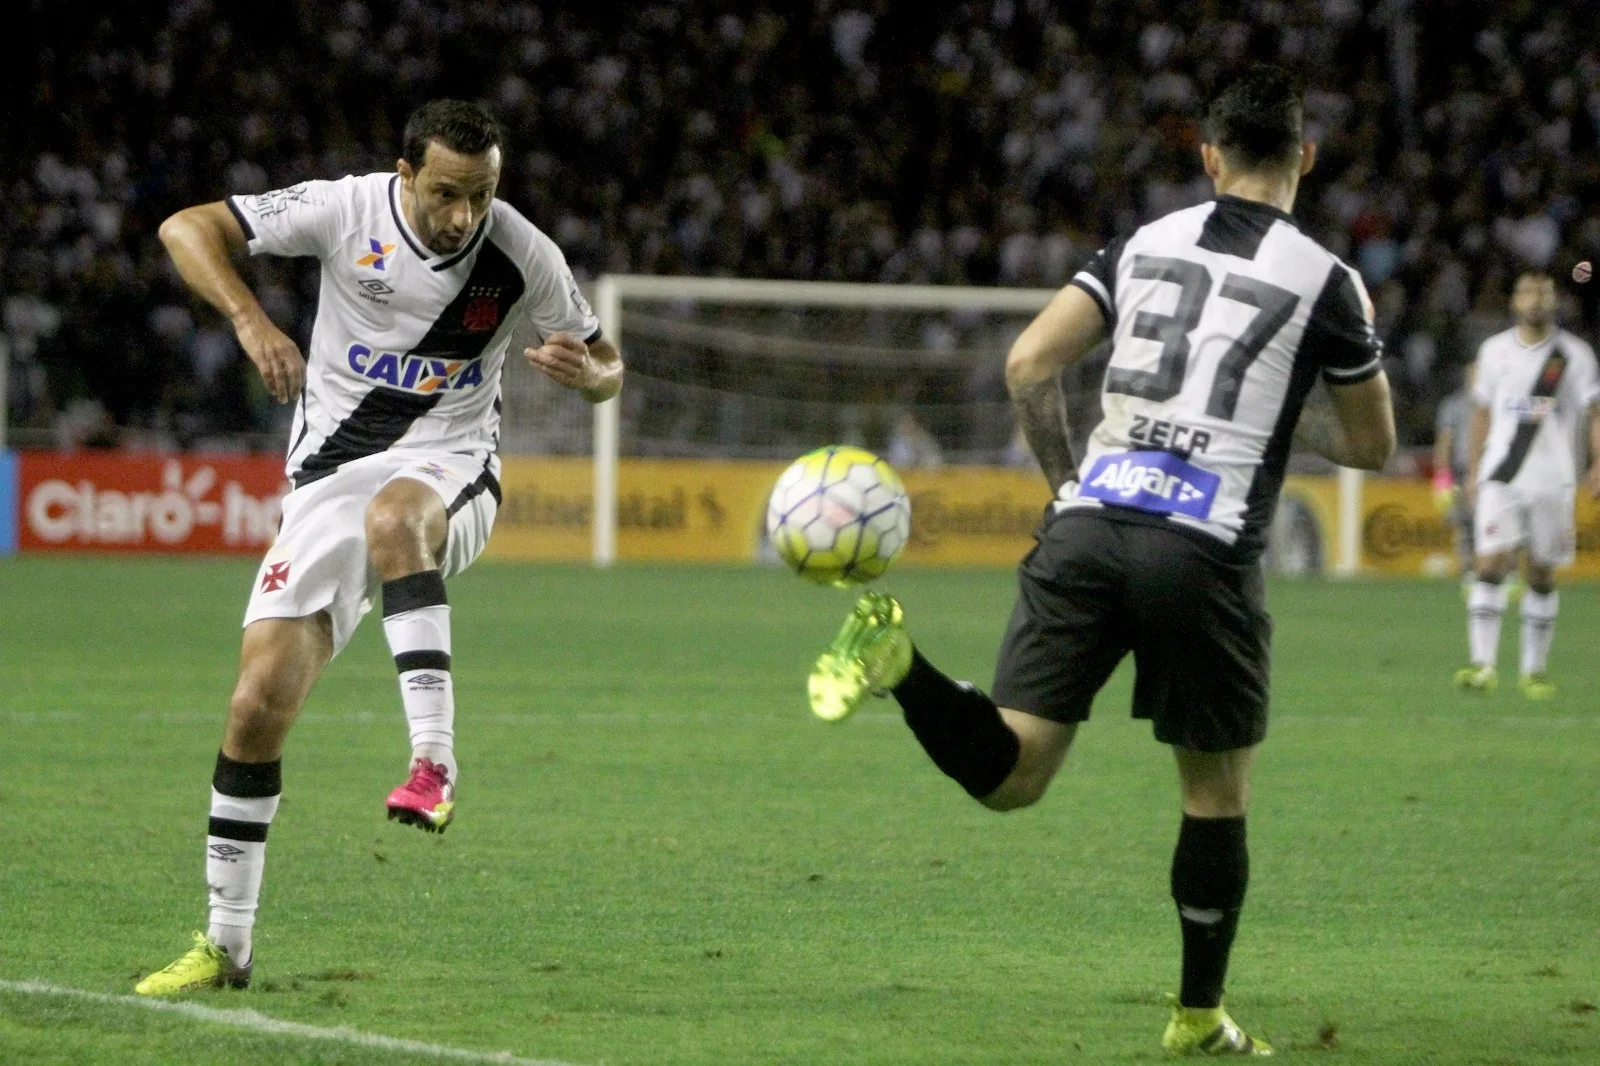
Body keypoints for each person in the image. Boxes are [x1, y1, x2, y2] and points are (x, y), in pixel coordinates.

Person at [807, 65, 1394, 1056]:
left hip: (1088, 519)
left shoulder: (1144, 243)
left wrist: (1066, 482)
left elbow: (1028, 363)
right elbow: (1373, 445)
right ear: (1304, 156)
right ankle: (1198, 1016)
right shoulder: (1325, 281)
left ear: (1206, 157)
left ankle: (902, 669)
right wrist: (1273, 417)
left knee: (1013, 774)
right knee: (1213, 794)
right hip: (1202, 547)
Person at [135, 99, 623, 995]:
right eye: (446, 193)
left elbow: (606, 362)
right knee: (255, 706)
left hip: (450, 469)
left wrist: (590, 375)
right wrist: (251, 319)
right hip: (327, 479)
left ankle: (433, 762)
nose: (463, 216)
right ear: (405, 173)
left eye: (481, 195)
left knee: (398, 520)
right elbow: (185, 227)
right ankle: (226, 947)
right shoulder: (344, 209)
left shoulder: (524, 255)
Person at [1453, 273, 1600, 699]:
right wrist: (1473, 469)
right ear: (1515, 301)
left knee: (1540, 570)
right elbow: (1480, 412)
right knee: (1490, 562)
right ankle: (1482, 665)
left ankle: (1533, 671)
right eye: (1527, 293)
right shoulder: (1494, 351)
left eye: (1543, 294)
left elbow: (1593, 413)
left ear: (1554, 302)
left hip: (1553, 479)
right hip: (1501, 474)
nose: (1535, 301)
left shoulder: (1575, 355)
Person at [1432, 366, 1477, 583]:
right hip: (1462, 469)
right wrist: (1441, 474)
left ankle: (1504, 570)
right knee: (1464, 521)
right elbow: (1445, 439)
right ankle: (1468, 568)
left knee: (1492, 521)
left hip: (1491, 471)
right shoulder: (1454, 405)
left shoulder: (1496, 402)